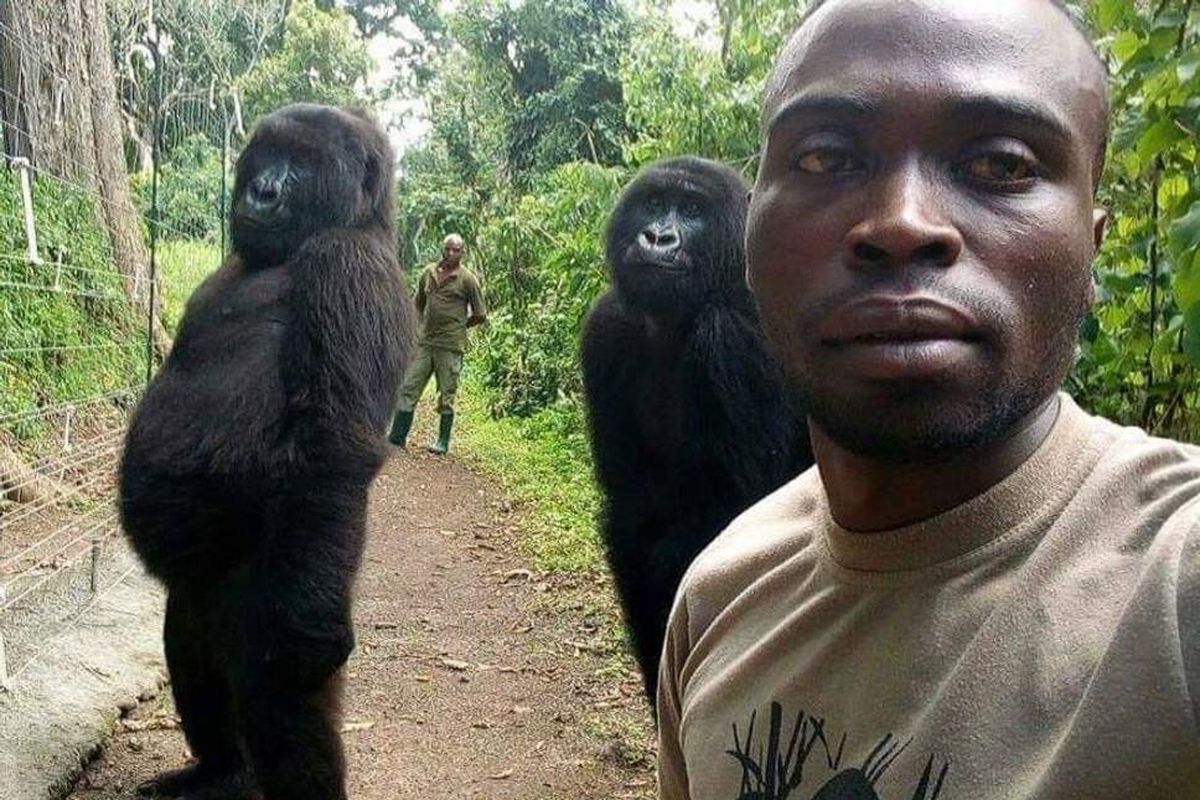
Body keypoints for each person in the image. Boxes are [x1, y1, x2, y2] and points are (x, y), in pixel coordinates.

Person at [656, 1, 1200, 798]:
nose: (900, 223)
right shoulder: (721, 595)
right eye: (823, 158)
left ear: (1093, 247)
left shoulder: (1173, 581)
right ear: (749, 241)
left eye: (1002, 163)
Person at [388, 233, 487, 453]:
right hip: (425, 343)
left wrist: (460, 326)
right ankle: (397, 436)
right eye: (448, 249)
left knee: (447, 393)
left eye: (456, 250)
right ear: (442, 249)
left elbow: (480, 314)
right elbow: (417, 306)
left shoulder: (467, 279)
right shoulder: (429, 273)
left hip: (450, 346)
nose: (451, 253)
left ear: (463, 253)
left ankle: (442, 442)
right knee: (408, 388)